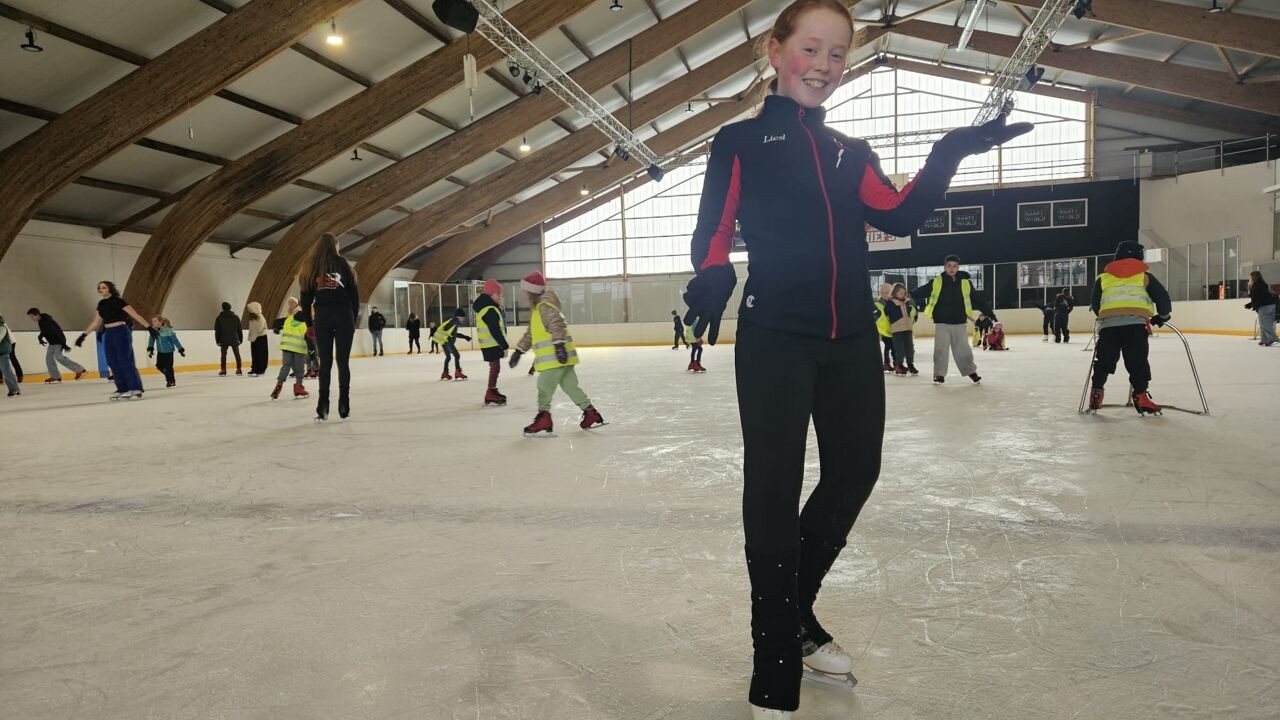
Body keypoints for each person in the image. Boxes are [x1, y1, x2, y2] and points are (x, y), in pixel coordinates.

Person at [679, 2, 1031, 716]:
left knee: (854, 474)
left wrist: (949, 150)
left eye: (837, 54)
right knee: (773, 489)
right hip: (775, 336)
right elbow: (714, 225)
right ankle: (775, 661)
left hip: (849, 343)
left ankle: (794, 613)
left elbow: (898, 213)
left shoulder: (850, 151)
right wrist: (712, 278)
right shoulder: (740, 141)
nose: (824, 66)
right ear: (775, 51)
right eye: (811, 48)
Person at [509, 271, 604, 435]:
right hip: (562, 357)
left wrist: (559, 346)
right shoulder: (539, 309)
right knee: (570, 386)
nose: (524, 294)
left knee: (544, 387)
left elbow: (556, 324)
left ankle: (543, 418)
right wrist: (519, 351)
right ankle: (590, 412)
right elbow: (530, 334)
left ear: (531, 292)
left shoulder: (544, 307)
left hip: (554, 357)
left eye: (525, 291)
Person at [1087, 241, 1172, 415]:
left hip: (1108, 327)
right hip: (1135, 326)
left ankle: (1096, 393)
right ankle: (1141, 397)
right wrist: (1162, 316)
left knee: (1104, 361)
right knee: (1137, 362)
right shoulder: (1144, 276)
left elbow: (1095, 303)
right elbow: (1162, 297)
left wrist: (1108, 315)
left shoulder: (1103, 278)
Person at [299, 233, 359, 421]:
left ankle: (322, 406)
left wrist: (309, 324)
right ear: (335, 246)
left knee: (325, 363)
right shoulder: (344, 265)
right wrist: (353, 319)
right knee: (343, 362)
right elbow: (354, 296)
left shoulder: (310, 267)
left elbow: (305, 300)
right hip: (343, 314)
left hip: (322, 316)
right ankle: (344, 404)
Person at [911, 255, 996, 384]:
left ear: (958, 267)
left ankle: (971, 371)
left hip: (959, 321)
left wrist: (990, 314)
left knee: (963, 349)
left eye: (955, 266)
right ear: (945, 267)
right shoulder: (937, 281)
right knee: (941, 350)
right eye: (949, 266)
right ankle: (939, 374)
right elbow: (921, 291)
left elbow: (977, 300)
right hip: (942, 321)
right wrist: (907, 294)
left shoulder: (966, 283)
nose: (952, 269)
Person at [74, 280, 151, 400]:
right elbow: (96, 322)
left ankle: (135, 388)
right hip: (109, 333)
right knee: (112, 361)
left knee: (124, 360)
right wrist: (83, 335)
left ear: (110, 288)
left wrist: (149, 327)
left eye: (103, 287)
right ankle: (122, 388)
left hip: (121, 331)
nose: (101, 290)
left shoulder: (119, 301)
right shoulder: (101, 304)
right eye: (99, 288)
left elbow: (135, 315)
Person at [473, 279, 510, 405]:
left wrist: (499, 308)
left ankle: (492, 390)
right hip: (492, 343)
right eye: (498, 294)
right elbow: (495, 329)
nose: (500, 297)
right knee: (495, 367)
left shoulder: (487, 308)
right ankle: (490, 392)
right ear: (491, 294)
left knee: (495, 367)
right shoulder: (489, 309)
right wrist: (504, 345)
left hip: (489, 344)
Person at [27, 307, 87, 383]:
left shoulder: (47, 321)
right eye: (30, 317)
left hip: (59, 340)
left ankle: (80, 370)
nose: (32, 319)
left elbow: (56, 331)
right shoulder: (40, 320)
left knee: (58, 357)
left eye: (32, 317)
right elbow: (44, 331)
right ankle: (55, 376)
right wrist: (40, 337)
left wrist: (63, 344)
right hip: (52, 342)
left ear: (37, 315)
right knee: (49, 358)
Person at [270, 296, 311, 401]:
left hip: (286, 346)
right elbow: (309, 336)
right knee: (299, 369)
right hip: (298, 347)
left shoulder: (289, 318)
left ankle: (278, 386)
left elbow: (279, 324)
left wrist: (276, 328)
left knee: (286, 366)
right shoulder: (306, 321)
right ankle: (298, 387)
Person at [883, 283, 918, 375]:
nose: (903, 295)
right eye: (900, 293)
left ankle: (910, 364)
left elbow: (912, 313)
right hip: (897, 330)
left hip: (908, 329)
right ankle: (899, 365)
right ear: (894, 293)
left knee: (910, 348)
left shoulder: (907, 302)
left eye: (904, 293)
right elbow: (886, 314)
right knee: (899, 349)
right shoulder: (890, 303)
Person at [146, 316, 185, 387]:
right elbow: (151, 340)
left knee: (168, 367)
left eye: (155, 321)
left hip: (169, 351)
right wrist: (150, 349)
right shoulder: (153, 330)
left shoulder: (168, 330)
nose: (153, 323)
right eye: (152, 321)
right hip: (160, 351)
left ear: (160, 321)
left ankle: (170, 381)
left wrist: (180, 349)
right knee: (159, 366)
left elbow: (175, 340)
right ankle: (171, 379)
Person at [432, 308, 471, 381]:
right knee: (457, 355)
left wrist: (465, 337)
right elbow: (451, 332)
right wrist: (465, 337)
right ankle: (458, 372)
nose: (463, 319)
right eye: (463, 317)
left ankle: (445, 373)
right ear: (459, 316)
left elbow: (454, 334)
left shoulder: (451, 320)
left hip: (444, 341)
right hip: (448, 341)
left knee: (448, 357)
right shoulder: (456, 321)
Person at [1245, 270, 1277, 347]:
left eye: (1250, 277)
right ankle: (1265, 340)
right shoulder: (1262, 284)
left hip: (1265, 306)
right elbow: (1260, 297)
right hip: (1271, 305)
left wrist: (1253, 305)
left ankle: (1273, 338)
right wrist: (1251, 304)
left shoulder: (1256, 286)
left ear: (1254, 277)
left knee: (1264, 324)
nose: (1249, 279)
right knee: (1266, 323)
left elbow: (1258, 298)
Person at [214, 301, 243, 376]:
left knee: (223, 355)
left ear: (222, 308)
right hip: (234, 338)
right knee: (237, 354)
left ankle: (223, 370)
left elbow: (217, 330)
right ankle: (239, 369)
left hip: (223, 339)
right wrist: (241, 339)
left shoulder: (219, 318)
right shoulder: (236, 317)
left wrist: (217, 340)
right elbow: (239, 329)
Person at [873, 282, 895, 371]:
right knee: (889, 346)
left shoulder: (894, 302)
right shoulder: (877, 304)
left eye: (887, 292)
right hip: (884, 330)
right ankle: (887, 363)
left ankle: (893, 363)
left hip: (893, 329)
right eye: (882, 292)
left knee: (893, 347)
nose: (885, 294)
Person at [245, 301, 269, 375]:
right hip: (254, 338)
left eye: (251, 309)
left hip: (261, 337)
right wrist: (250, 337)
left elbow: (259, 329)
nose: (250, 311)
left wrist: (253, 337)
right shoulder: (252, 318)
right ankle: (255, 368)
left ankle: (261, 369)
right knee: (254, 354)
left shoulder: (260, 317)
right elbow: (251, 329)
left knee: (261, 354)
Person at [0, 315, 19, 397]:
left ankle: (13, 389)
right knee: (7, 371)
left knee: (7, 372)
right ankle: (15, 389)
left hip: (2, 353)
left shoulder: (2, 328)